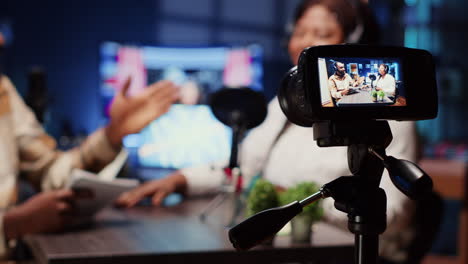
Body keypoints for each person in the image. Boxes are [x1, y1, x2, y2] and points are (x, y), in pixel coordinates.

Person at [117, 0, 418, 263]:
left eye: (322, 34)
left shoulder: (385, 117)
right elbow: (243, 170)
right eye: (300, 32)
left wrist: (297, 201)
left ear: (352, 43)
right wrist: (180, 180)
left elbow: (392, 215)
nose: (306, 43)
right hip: (284, 250)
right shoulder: (286, 105)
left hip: (343, 252)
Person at [0, 31, 179, 259]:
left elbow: (51, 174)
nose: (1, 40)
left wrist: (113, 134)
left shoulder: (2, 90)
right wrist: (11, 225)